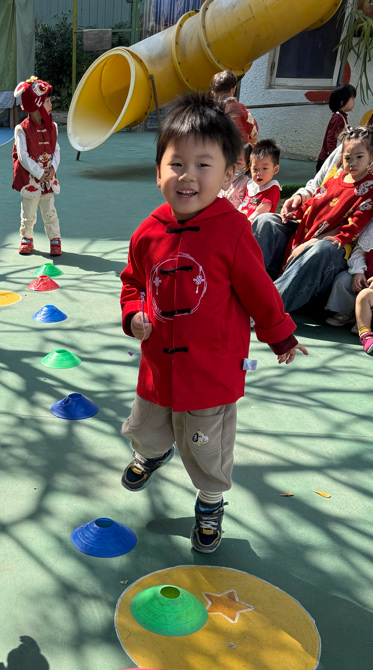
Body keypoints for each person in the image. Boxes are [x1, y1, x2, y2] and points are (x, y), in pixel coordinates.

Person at [119, 93, 306, 555]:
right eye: (176, 164)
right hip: (158, 367)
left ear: (227, 175)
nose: (188, 176)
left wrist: (280, 334)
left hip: (210, 371)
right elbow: (133, 282)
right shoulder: (147, 232)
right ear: (158, 171)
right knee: (146, 426)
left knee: (206, 447)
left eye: (203, 165)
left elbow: (260, 290)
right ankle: (153, 453)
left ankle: (209, 502)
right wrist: (134, 313)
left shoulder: (233, 230)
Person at [253, 87, 373, 281]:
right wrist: (299, 197)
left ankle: (275, 298)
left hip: (338, 245)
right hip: (308, 226)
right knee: (266, 221)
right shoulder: (346, 147)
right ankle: (251, 283)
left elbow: (365, 225)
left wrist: (315, 240)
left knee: (319, 250)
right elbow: (316, 185)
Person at [272, 125, 373, 313]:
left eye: (359, 157)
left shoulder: (370, 187)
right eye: (348, 158)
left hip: (329, 242)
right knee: (268, 222)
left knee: (311, 255)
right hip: (306, 231)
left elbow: (354, 226)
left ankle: (270, 307)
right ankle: (249, 288)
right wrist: (296, 213)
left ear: (372, 155)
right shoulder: (336, 176)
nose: (352, 163)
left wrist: (317, 241)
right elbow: (315, 200)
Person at [325, 174, 373, 327]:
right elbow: (360, 250)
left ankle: (367, 322)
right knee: (342, 279)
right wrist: (358, 271)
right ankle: (346, 313)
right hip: (365, 275)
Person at [12, 76, 61, 257]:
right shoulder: (21, 130)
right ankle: (27, 238)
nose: (50, 104)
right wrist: (40, 173)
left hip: (48, 180)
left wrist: (53, 169)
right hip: (31, 180)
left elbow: (57, 150)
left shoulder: (53, 127)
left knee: (50, 211)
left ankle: (55, 239)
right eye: (47, 101)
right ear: (36, 105)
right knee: (29, 211)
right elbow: (23, 156)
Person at [209, 70, 258, 145]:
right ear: (233, 89)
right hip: (240, 149)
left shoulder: (210, 110)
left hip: (217, 149)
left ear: (213, 93)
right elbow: (253, 135)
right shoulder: (243, 110)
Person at [317, 83, 357, 172]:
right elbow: (331, 139)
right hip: (327, 161)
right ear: (342, 101)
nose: (354, 102)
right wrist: (334, 157)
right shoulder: (338, 118)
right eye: (352, 99)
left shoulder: (341, 117)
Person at [237, 139, 281, 221]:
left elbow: (261, 211)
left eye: (265, 168)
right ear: (250, 167)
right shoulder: (250, 185)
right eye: (255, 169)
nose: (259, 173)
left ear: (275, 169)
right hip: (242, 222)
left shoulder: (272, 189)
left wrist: (246, 223)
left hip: (255, 225)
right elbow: (242, 204)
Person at [220, 142, 252, 208]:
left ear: (248, 166)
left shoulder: (247, 184)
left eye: (238, 163)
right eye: (230, 161)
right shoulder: (221, 180)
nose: (232, 166)